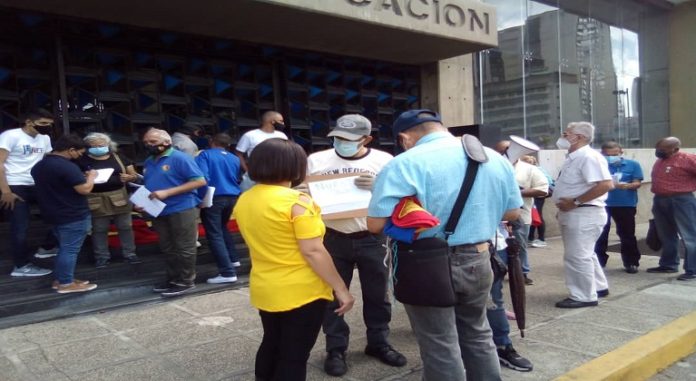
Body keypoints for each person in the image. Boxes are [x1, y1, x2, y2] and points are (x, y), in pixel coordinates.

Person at [367, 109, 522, 381]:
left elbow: (375, 225)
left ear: (404, 138)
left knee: (439, 343)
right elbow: (512, 213)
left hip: (427, 264)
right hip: (480, 258)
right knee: (478, 333)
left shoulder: (403, 163)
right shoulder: (495, 158)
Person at [232, 138, 354, 381]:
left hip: (265, 286)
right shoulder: (298, 203)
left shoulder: (245, 199)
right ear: (295, 167)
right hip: (302, 291)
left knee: (271, 343)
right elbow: (313, 251)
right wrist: (341, 288)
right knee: (294, 355)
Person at [302, 114, 404, 377]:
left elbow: (403, 196)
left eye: (348, 139)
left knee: (378, 294)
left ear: (367, 139)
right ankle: (336, 348)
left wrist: (381, 186)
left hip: (373, 236)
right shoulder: (317, 160)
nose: (341, 143)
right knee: (333, 295)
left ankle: (378, 342)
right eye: (337, 138)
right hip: (332, 237)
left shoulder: (384, 161)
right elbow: (303, 191)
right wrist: (305, 191)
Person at [552, 122, 613, 308]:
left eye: (566, 133)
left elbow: (605, 184)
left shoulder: (588, 156)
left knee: (577, 256)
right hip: (576, 213)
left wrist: (575, 202)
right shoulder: (574, 158)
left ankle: (583, 296)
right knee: (586, 254)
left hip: (583, 213)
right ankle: (598, 286)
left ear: (578, 137)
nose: (562, 136)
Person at [143, 128, 207, 297]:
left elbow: (199, 181)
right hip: (158, 209)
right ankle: (173, 278)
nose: (149, 145)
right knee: (167, 246)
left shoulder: (180, 158)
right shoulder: (149, 161)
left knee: (184, 246)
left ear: (166, 142)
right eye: (146, 142)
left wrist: (167, 193)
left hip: (182, 206)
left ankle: (186, 280)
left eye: (153, 142)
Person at [31, 134, 98, 293]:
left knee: (64, 248)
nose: (79, 156)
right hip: (72, 214)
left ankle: (61, 278)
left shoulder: (39, 166)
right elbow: (84, 189)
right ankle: (66, 284)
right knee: (69, 250)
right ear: (71, 150)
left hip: (53, 213)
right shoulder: (67, 166)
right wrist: (91, 178)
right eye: (79, 153)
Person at [0, 109, 56, 277]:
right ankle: (21, 266)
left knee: (60, 215)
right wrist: (5, 191)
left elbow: (48, 160)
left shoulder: (45, 138)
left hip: (37, 183)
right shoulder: (11, 136)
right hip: (15, 184)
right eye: (44, 124)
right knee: (20, 227)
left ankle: (47, 247)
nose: (47, 127)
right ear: (29, 122)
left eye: (50, 125)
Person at [78, 132, 141, 268]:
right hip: (94, 198)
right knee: (99, 229)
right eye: (94, 146)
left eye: (102, 145)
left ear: (108, 145)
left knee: (125, 226)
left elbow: (134, 175)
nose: (99, 147)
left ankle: (130, 253)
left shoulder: (118, 157)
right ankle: (101, 257)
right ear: (88, 147)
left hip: (119, 195)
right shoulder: (81, 160)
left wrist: (130, 178)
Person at [494, 140, 548, 285]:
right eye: (499, 151)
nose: (501, 154)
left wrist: (517, 192)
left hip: (520, 215)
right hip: (495, 215)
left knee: (519, 245)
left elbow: (543, 189)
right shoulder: (491, 166)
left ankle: (521, 272)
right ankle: (500, 270)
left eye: (504, 151)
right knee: (497, 245)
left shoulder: (529, 169)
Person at [195, 133, 242, 284]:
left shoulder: (205, 155)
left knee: (214, 233)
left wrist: (200, 198)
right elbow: (238, 177)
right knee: (222, 227)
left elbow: (203, 179)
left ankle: (227, 271)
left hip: (213, 196)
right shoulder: (234, 158)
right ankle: (233, 259)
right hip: (232, 196)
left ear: (211, 141)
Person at [648, 137, 696, 281]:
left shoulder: (688, 159)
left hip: (681, 200)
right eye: (658, 148)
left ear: (675, 149)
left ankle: (692, 269)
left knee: (689, 235)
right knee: (666, 234)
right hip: (660, 199)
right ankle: (669, 264)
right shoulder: (661, 160)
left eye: (662, 149)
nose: (658, 151)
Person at [487, 223, 533, 372]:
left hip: (490, 246)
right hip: (444, 245)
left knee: (493, 300)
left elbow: (514, 215)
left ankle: (502, 344)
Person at [593, 141, 643, 273]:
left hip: (625, 204)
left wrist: (628, 185)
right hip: (602, 203)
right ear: (602, 154)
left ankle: (631, 262)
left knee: (627, 234)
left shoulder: (633, 165)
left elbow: (637, 182)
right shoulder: (598, 165)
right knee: (601, 234)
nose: (611, 157)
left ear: (621, 152)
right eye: (608, 155)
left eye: (615, 154)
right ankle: (599, 261)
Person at [523, 155, 554, 248]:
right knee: (533, 215)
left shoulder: (534, 170)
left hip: (538, 195)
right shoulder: (538, 169)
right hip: (537, 194)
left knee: (537, 215)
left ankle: (541, 239)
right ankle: (531, 238)